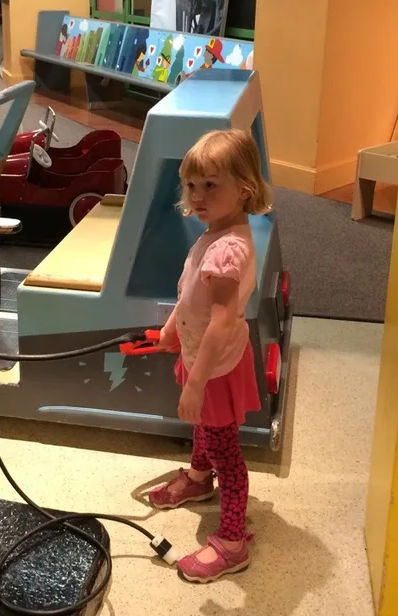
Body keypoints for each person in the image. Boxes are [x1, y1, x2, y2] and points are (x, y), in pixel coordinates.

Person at [148, 128, 273, 583]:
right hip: (204, 355)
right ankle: (199, 479)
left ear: (244, 188)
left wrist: (197, 382)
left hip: (214, 366)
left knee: (226, 449)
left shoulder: (228, 251)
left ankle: (234, 541)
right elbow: (190, 293)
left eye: (211, 185)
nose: (198, 196)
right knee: (206, 427)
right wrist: (170, 328)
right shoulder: (216, 233)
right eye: (191, 185)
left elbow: (222, 320)